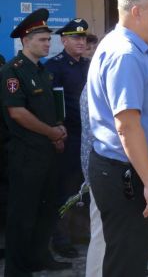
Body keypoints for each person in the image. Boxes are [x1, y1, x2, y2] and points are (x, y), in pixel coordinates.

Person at [87, 0, 148, 276]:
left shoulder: (128, 48)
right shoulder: (125, 54)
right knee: (126, 263)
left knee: (128, 258)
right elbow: (127, 126)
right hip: (127, 174)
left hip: (128, 169)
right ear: (136, 12)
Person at [1, 8, 71, 275]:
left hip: (48, 154)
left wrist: (58, 129)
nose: (47, 44)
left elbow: (48, 110)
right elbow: (17, 113)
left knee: (46, 212)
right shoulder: (12, 72)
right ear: (25, 40)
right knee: (23, 216)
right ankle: (18, 270)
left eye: (47, 39)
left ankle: (39, 258)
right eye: (42, 39)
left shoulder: (42, 71)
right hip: (26, 157)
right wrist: (52, 133)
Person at [45, 18, 90, 258]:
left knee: (87, 187)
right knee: (67, 188)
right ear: (63, 40)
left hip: (90, 136)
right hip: (69, 136)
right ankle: (61, 238)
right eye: (75, 37)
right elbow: (51, 107)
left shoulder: (90, 65)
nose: (80, 41)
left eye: (83, 37)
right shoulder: (54, 67)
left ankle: (82, 231)